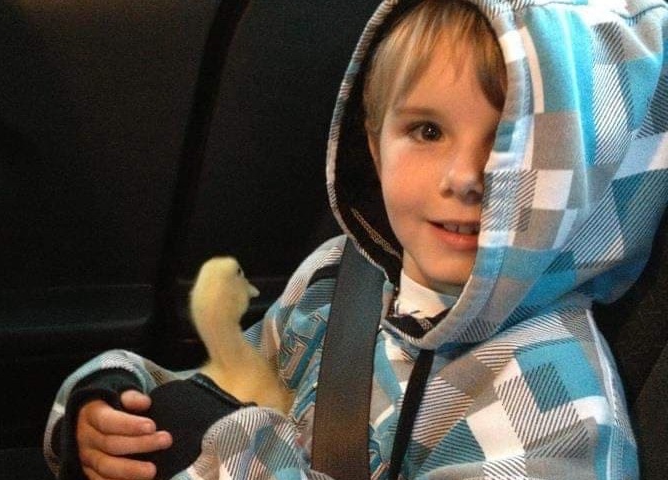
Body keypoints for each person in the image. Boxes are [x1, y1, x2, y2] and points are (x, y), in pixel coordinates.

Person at [44, 0, 668, 478]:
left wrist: (227, 448)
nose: (465, 178)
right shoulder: (338, 277)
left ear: (588, 171)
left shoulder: (554, 404)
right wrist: (112, 405)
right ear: (373, 143)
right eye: (428, 131)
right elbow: (231, 379)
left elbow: (229, 431)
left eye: (516, 144)